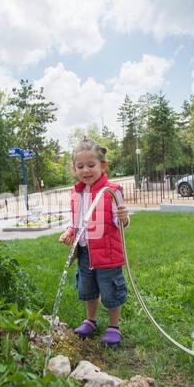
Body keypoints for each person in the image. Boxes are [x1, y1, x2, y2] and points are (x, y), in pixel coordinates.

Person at [59, 138, 130, 346]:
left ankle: (113, 326)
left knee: (111, 289)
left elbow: (120, 221)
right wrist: (70, 231)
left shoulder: (111, 190)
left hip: (107, 252)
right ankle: (90, 321)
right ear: (74, 168)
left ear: (103, 165)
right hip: (85, 251)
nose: (86, 170)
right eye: (80, 166)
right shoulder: (77, 192)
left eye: (91, 165)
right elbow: (77, 220)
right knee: (88, 287)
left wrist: (124, 217)